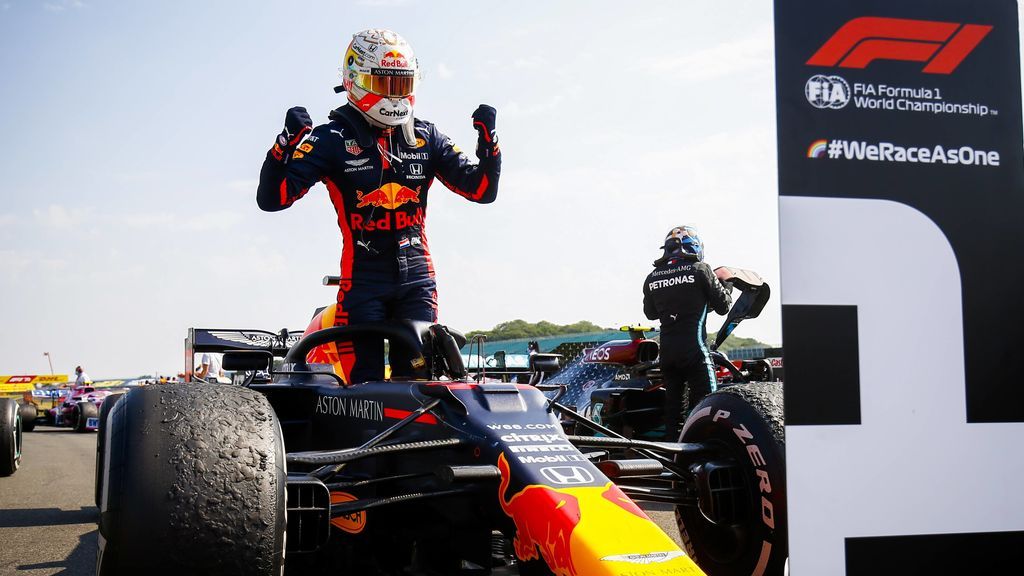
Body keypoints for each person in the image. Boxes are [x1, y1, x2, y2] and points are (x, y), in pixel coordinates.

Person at [257, 28, 501, 385]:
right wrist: (283, 147)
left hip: (417, 280)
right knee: (364, 388)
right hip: (363, 283)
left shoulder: (427, 136)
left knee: (421, 384)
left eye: (399, 85)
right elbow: (272, 199)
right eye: (383, 82)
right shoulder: (329, 139)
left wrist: (489, 145)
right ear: (355, 81)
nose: (392, 94)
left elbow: (481, 190)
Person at [643, 225, 732, 441]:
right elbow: (724, 306)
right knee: (708, 407)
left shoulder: (652, 277)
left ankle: (676, 462)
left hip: (668, 356)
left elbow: (650, 313)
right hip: (696, 352)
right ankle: (708, 457)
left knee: (674, 414)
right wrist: (726, 281)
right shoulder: (701, 269)